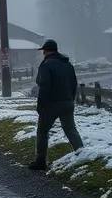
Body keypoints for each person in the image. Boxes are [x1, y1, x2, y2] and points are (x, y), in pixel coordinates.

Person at [29, 38, 84, 170]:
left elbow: (44, 86)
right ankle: (82, 153)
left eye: (43, 51)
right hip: (67, 102)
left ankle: (40, 161)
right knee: (70, 129)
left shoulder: (46, 65)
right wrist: (70, 99)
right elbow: (73, 84)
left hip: (51, 104)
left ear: (46, 51)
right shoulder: (67, 64)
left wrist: (41, 104)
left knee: (42, 130)